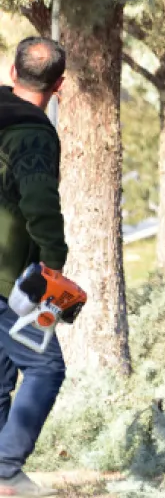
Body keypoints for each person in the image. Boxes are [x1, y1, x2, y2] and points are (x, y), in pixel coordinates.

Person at [0, 37, 68, 497]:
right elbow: (39, 201)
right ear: (59, 85)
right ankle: (6, 468)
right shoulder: (33, 132)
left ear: (11, 72)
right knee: (46, 368)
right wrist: (54, 263)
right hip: (11, 279)